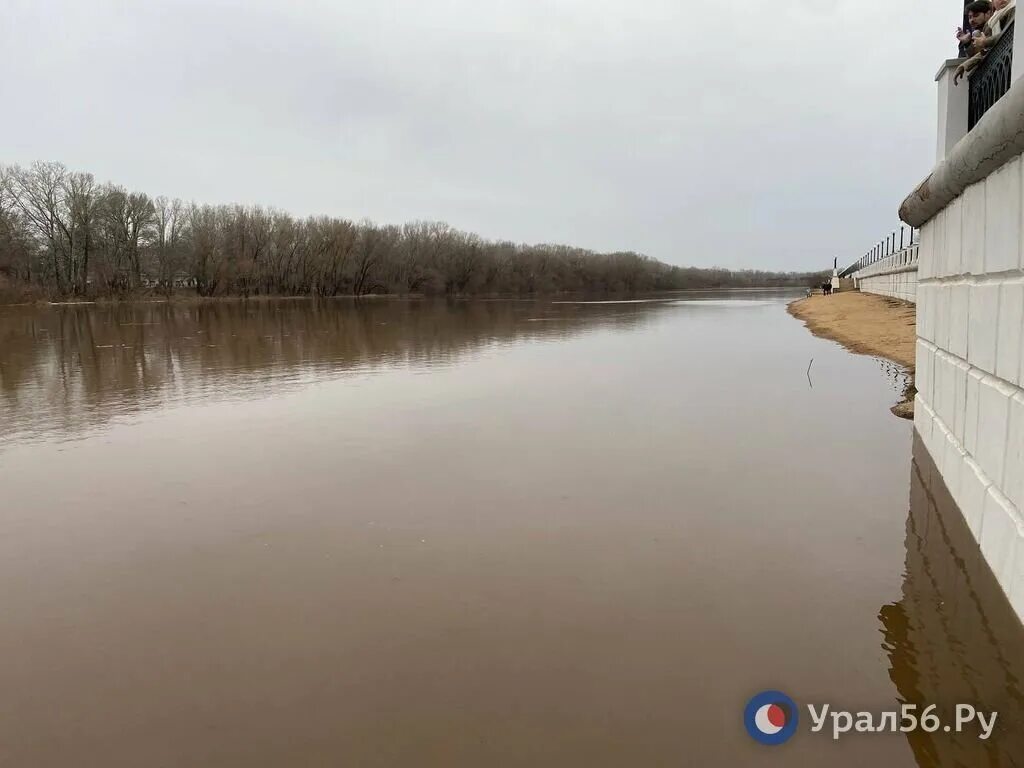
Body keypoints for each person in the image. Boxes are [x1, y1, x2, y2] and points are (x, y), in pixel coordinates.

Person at [955, 0, 1015, 84]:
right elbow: (986, 51)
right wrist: (966, 64)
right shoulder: (992, 22)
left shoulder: (1014, 9)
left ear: (988, 13)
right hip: (1000, 73)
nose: (972, 20)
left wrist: (985, 42)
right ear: (993, 2)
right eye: (970, 17)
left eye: (976, 16)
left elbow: (1007, 35)